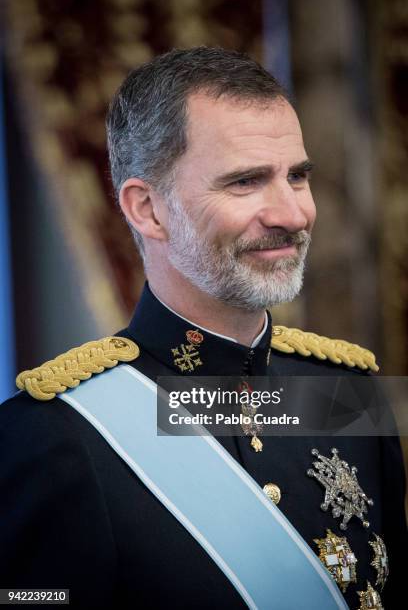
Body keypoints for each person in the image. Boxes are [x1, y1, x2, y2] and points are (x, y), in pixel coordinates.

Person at [0, 47, 406, 610]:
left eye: (297, 176)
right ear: (147, 209)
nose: (291, 213)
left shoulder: (343, 395)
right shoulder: (52, 436)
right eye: (245, 182)